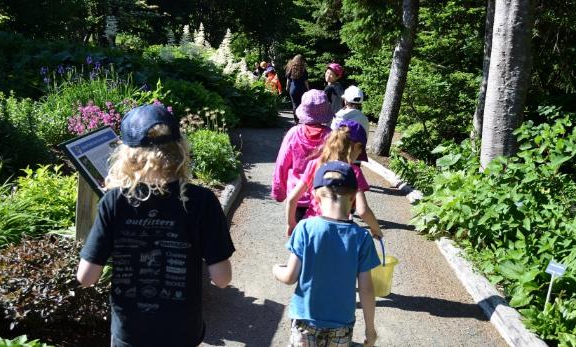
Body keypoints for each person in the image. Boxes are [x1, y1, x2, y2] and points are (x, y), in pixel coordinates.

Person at [76, 104, 235, 347]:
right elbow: (222, 278)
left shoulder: (114, 201)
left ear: (128, 154)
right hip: (182, 331)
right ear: (179, 147)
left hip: (130, 333)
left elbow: (86, 277)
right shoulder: (202, 201)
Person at [273, 161, 380, 347]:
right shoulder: (362, 237)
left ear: (315, 196)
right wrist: (370, 330)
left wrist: (275, 269)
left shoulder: (305, 228)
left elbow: (290, 277)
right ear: (353, 197)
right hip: (342, 324)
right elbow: (366, 290)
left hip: (305, 320)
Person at [284, 120, 382, 238]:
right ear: (356, 147)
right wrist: (376, 229)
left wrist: (291, 224)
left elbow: (292, 199)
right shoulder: (353, 171)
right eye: (360, 151)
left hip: (311, 227)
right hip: (338, 232)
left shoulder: (315, 164)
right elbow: (362, 211)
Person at [272, 90, 333, 223]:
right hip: (321, 197)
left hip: (296, 196)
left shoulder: (294, 133)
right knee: (317, 237)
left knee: (296, 236)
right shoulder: (331, 136)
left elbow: (281, 164)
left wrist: (279, 191)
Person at [285, 55, 310, 123]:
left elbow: (288, 80)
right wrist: (308, 89)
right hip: (302, 89)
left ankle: (296, 120)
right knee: (302, 104)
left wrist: (287, 88)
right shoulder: (303, 69)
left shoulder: (290, 68)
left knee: (295, 104)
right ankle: (302, 118)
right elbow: (305, 81)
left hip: (293, 89)